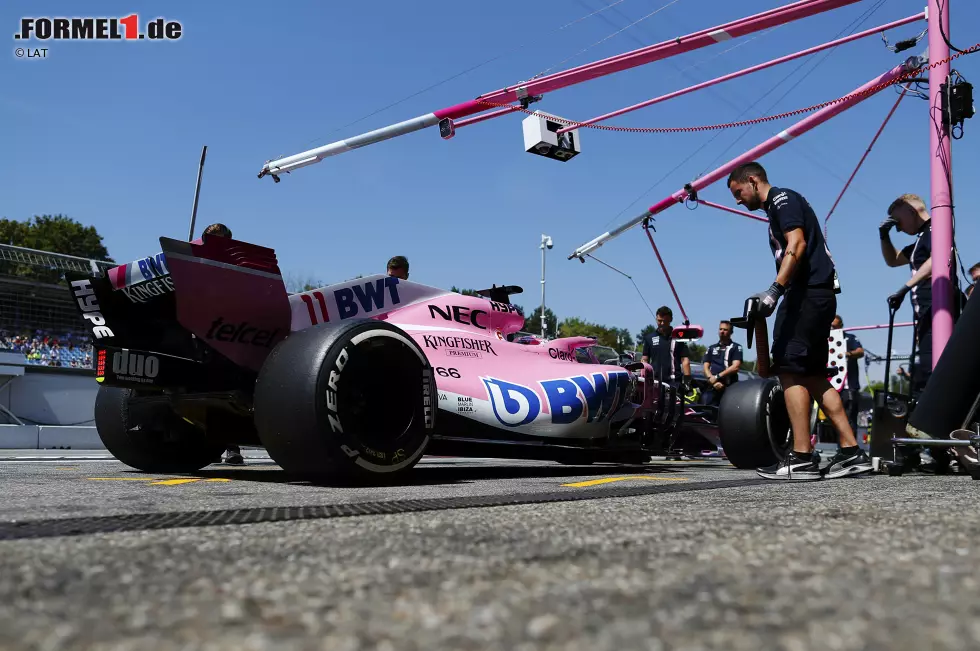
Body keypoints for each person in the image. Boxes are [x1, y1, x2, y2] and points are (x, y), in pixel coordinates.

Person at [727, 161, 870, 480]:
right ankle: (851, 452)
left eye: (738, 192)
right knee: (815, 375)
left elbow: (798, 243)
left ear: (752, 181)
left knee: (790, 369)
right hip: (817, 294)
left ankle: (802, 457)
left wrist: (774, 290)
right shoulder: (782, 205)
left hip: (805, 295)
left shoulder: (781, 200)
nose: (738, 200)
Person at [879, 194, 934, 398]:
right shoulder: (920, 241)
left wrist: (905, 288)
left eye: (898, 222)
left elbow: (938, 258)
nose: (899, 228)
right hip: (925, 317)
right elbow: (892, 260)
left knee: (930, 372)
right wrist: (884, 236)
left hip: (936, 311)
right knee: (924, 371)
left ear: (911, 211)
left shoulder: (936, 229)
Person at [201, 222, 244, 466]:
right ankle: (208, 446)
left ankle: (232, 447)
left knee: (227, 387)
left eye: (219, 239)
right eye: (210, 239)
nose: (214, 243)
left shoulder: (238, 263)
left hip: (230, 334)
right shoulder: (195, 264)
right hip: (201, 333)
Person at [640, 306, 692, 392]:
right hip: (654, 382)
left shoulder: (679, 338)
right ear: (656, 318)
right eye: (659, 321)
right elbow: (645, 360)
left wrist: (687, 384)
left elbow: (685, 361)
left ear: (670, 319)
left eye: (665, 321)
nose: (662, 323)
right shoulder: (649, 338)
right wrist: (643, 378)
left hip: (674, 382)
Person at [831, 315, 864, 436]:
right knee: (834, 418)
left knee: (849, 418)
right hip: (832, 386)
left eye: (834, 327)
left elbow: (860, 352)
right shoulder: (826, 340)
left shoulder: (849, 338)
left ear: (840, 326)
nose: (832, 329)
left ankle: (851, 448)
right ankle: (840, 448)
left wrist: (848, 354)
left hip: (848, 385)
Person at [701, 320, 743, 407]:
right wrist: (713, 381)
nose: (722, 332)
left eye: (725, 330)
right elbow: (705, 368)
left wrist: (717, 377)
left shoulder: (736, 347)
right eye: (720, 329)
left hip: (729, 388)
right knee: (706, 409)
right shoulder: (711, 348)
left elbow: (735, 367)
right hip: (713, 386)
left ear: (731, 332)